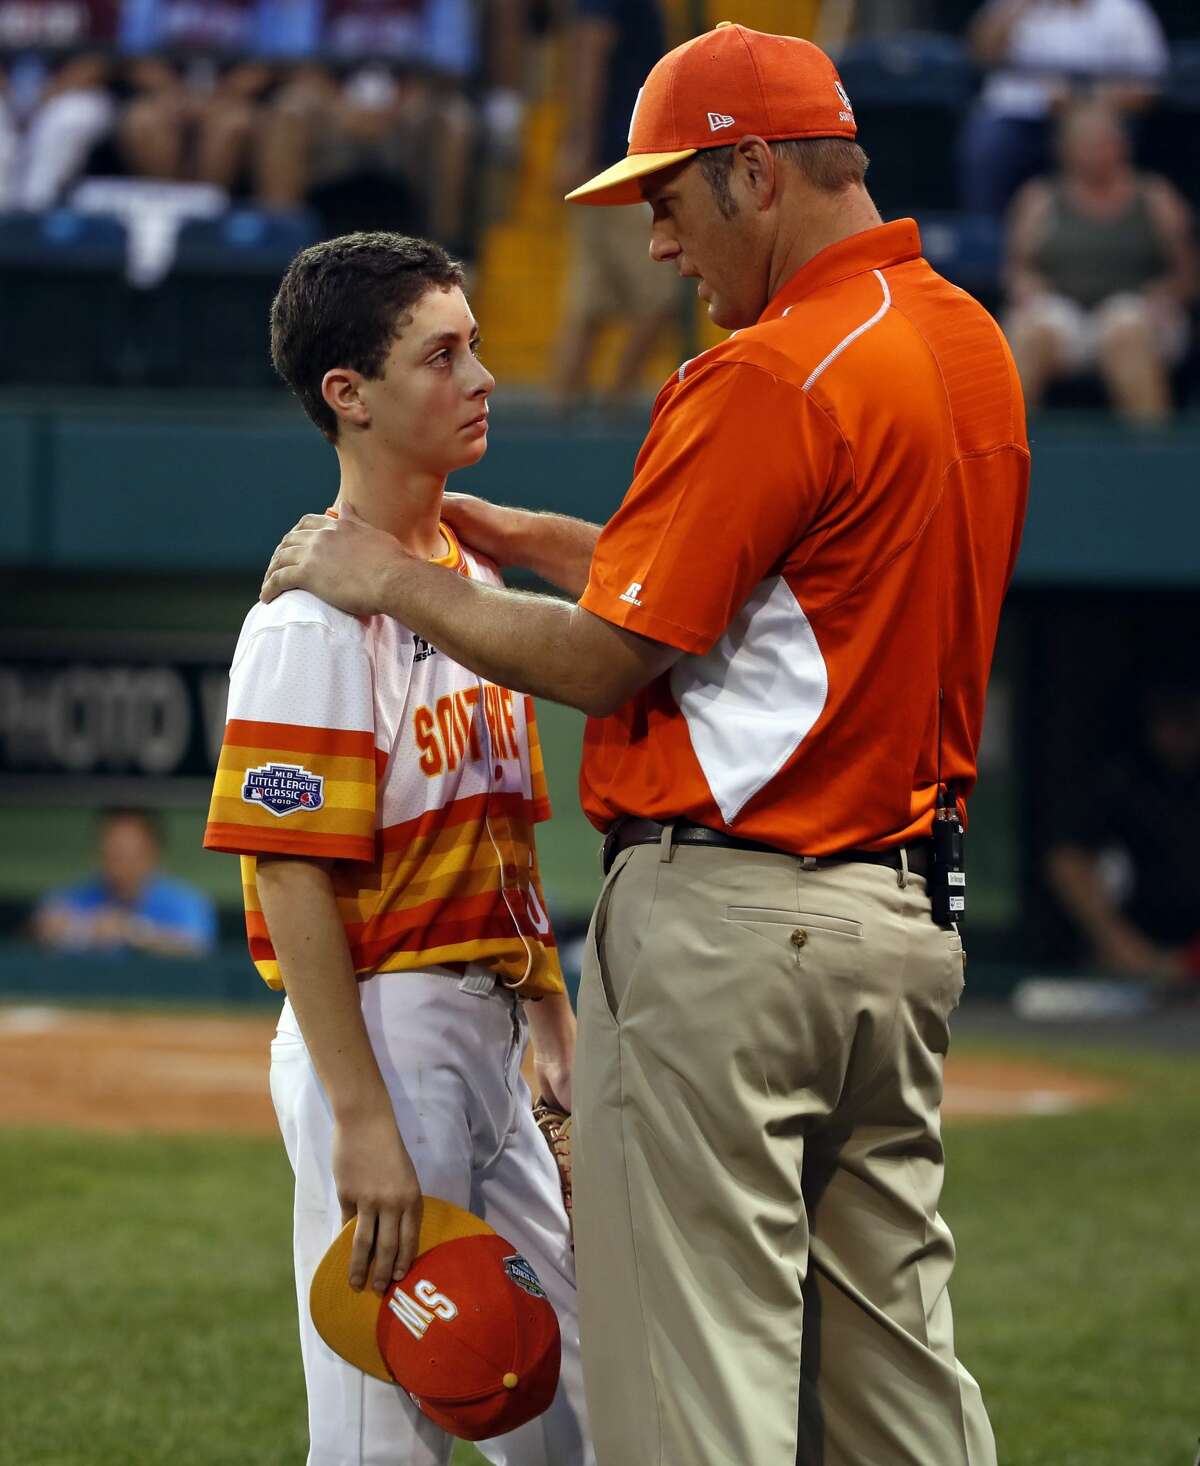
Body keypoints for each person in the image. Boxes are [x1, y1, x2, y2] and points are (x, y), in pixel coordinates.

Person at [259, 24, 1029, 1466]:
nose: (660, 243)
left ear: (750, 174)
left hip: (740, 928)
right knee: (894, 1378)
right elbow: (775, 594)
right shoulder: (965, 343)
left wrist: (396, 575)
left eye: (669, 199)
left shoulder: (770, 370)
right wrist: (518, 541)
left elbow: (621, 649)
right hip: (902, 918)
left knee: (691, 1392)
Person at [203, 233, 591, 1466]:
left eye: (474, 343)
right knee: (385, 1439)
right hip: (382, 1033)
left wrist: (551, 1023)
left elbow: (506, 834)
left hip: (483, 1031)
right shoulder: (310, 612)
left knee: (573, 1407)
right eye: (443, 352)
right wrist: (359, 1116)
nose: (480, 375)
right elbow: (286, 867)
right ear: (348, 393)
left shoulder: (462, 574)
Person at [1004, 99, 1196, 423]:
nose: (1096, 152)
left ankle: (1151, 459)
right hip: (1064, 314)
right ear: (1065, 148)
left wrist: (1168, 294)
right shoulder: (1039, 200)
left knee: (1125, 330)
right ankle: (1008, 458)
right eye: (1086, 143)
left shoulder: (1155, 197)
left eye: (1104, 142)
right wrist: (1027, 287)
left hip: (1141, 312)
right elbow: (1018, 269)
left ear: (1122, 145)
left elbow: (1187, 272)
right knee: (1030, 331)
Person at [550, 0, 679, 414]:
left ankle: (560, 426)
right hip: (617, 165)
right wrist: (580, 143)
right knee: (658, 294)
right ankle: (613, 416)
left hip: (611, 162)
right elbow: (590, 49)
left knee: (589, 302)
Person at [1046, 680, 1200, 985]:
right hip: (1128, 970)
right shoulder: (1122, 780)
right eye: (1170, 720)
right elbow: (1066, 862)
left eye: (1188, 721)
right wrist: (1125, 949)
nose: (1179, 734)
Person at [960, 0, 1168, 217]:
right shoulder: (1014, 5)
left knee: (1097, 138)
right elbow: (979, 55)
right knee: (990, 141)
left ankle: (1095, 237)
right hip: (1021, 117)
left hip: (1096, 115)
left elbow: (1148, 88)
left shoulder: (1124, 10)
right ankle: (984, 238)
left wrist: (1084, 100)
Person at [34, 807, 217, 957]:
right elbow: (42, 929)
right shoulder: (74, 896)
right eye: (112, 853)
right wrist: (81, 930)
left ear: (153, 854)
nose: (120, 864)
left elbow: (197, 947)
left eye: (129, 855)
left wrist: (132, 932)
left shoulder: (186, 902)